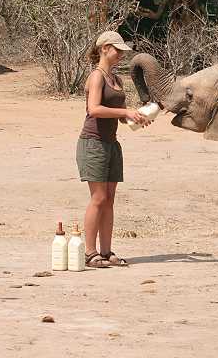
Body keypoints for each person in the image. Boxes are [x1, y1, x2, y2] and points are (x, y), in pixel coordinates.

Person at [78, 31, 150, 268]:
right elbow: (94, 109)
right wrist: (126, 112)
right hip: (93, 143)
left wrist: (138, 118)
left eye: (122, 51)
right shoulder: (96, 76)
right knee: (98, 198)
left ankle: (106, 251)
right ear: (104, 48)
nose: (120, 55)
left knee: (109, 199)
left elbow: (121, 117)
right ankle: (90, 252)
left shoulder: (117, 80)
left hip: (111, 143)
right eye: (117, 50)